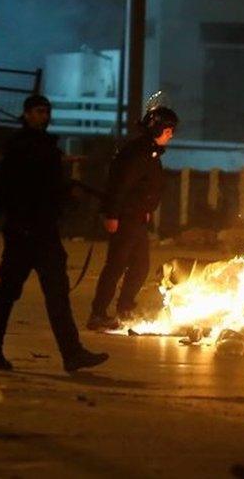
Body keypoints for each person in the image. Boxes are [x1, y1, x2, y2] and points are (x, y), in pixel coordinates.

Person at [0, 95, 109, 372]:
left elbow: (48, 188)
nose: (43, 116)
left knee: (57, 295)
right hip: (23, 233)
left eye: (46, 111)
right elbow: (17, 190)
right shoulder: (21, 147)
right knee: (8, 292)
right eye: (38, 111)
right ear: (27, 114)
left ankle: (72, 354)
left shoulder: (44, 147)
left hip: (43, 232)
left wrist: (66, 197)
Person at [87, 106, 177, 330]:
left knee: (140, 266)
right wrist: (112, 214)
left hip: (136, 218)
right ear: (157, 129)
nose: (171, 135)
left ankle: (125, 308)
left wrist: (145, 208)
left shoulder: (149, 152)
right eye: (168, 130)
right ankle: (98, 314)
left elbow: (145, 186)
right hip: (125, 217)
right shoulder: (139, 154)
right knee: (116, 266)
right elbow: (120, 186)